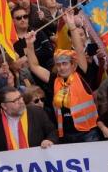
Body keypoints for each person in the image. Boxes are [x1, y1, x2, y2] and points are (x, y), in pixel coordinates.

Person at [24, 12, 101, 143]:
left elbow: (78, 48)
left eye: (65, 64)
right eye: (58, 65)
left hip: (88, 133)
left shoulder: (82, 73)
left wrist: (71, 26)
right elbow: (35, 67)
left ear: (73, 64)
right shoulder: (54, 80)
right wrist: (30, 45)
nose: (61, 68)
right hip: (66, 135)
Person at [0, 86, 58, 154]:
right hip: (9, 166)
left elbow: (52, 132)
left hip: (36, 163)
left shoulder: (37, 112)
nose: (21, 102)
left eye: (20, 97)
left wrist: (49, 140)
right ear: (4, 106)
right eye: (15, 101)